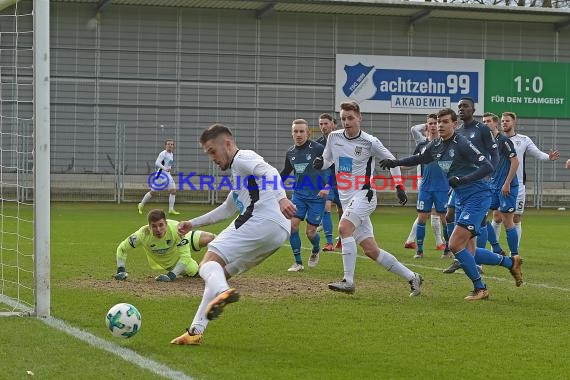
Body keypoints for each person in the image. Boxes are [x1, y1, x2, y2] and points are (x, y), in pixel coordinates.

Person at [170, 124, 296, 346]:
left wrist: (281, 198)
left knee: (207, 263)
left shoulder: (242, 158)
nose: (212, 158)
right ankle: (195, 331)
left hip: (261, 219)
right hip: (278, 231)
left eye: (212, 151)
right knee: (218, 272)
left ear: (227, 144)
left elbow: (271, 172)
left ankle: (224, 292)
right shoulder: (239, 176)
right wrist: (193, 223)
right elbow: (227, 210)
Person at [380, 108, 523, 301]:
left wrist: (462, 179)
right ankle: (510, 262)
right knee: (469, 251)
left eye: (445, 122)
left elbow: (487, 166)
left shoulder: (462, 143)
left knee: (455, 244)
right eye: (439, 121)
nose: (440, 125)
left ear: (455, 125)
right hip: (462, 198)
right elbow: (419, 158)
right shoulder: (436, 144)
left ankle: (481, 288)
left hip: (478, 196)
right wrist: (394, 162)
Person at [313, 101, 423, 296]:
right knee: (371, 250)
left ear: (359, 118)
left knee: (344, 228)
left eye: (350, 118)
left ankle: (348, 281)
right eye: (343, 118)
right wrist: (320, 163)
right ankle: (413, 277)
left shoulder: (370, 141)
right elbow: (328, 159)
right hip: (347, 198)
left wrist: (398, 186)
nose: (346, 122)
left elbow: (392, 162)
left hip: (365, 195)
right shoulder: (333, 137)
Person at [443, 97, 498, 274]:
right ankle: (461, 256)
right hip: (460, 184)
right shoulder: (457, 131)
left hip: (478, 182)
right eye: (459, 106)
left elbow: (494, 153)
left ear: (473, 110)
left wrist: (490, 173)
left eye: (465, 106)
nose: (461, 109)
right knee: (450, 215)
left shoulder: (482, 129)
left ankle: (475, 261)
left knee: (478, 223)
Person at [491, 111, 560, 246]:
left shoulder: (523, 140)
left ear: (514, 122)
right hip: (499, 184)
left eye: (507, 121)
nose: (504, 123)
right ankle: (495, 250)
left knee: (516, 218)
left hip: (518, 185)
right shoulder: (496, 140)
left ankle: (514, 253)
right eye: (503, 121)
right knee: (497, 217)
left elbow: (537, 153)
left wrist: (548, 157)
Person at [113, 209, 215, 282]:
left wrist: (171, 276)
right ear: (149, 227)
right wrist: (120, 271)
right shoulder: (142, 234)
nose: (158, 229)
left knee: (211, 238)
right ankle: (214, 270)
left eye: (161, 225)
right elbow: (122, 248)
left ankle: (226, 261)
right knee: (197, 272)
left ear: (166, 223)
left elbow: (186, 255)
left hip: (183, 238)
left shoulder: (177, 229)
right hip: (172, 260)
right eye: (154, 226)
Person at [280, 119, 328, 271]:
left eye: (302, 131)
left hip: (317, 198)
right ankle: (298, 262)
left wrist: (328, 187)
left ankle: (315, 249)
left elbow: (332, 167)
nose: (298, 134)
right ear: (292, 133)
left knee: (310, 233)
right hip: (298, 196)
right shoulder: (290, 152)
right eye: (296, 131)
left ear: (308, 133)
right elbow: (286, 172)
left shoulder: (318, 148)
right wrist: (271, 186)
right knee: (292, 227)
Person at [403, 114, 447, 255]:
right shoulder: (422, 144)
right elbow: (413, 161)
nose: (434, 126)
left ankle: (445, 247)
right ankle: (421, 250)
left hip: (442, 185)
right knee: (423, 216)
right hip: (425, 183)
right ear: (427, 126)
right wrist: (397, 165)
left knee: (442, 217)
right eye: (431, 123)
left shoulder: (446, 143)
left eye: (436, 123)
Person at [481, 113, 519, 257]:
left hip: (506, 187)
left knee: (507, 220)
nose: (485, 124)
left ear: (495, 124)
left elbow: (515, 162)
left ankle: (515, 255)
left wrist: (507, 183)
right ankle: (496, 248)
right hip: (491, 186)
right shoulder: (485, 142)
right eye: (483, 121)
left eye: (488, 121)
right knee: (482, 218)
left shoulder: (503, 141)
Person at [315, 113, 343, 252]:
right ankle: (329, 242)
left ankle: (343, 238)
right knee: (326, 207)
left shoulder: (342, 140)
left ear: (334, 124)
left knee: (342, 210)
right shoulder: (318, 144)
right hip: (327, 181)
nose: (323, 126)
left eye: (326, 123)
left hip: (343, 180)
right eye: (321, 124)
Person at [138, 139, 180, 215]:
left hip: (167, 175)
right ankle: (141, 204)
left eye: (171, 144)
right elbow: (157, 163)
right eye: (168, 144)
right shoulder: (163, 153)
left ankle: (171, 209)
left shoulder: (171, 154)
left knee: (173, 191)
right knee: (153, 192)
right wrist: (165, 168)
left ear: (173, 146)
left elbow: (168, 164)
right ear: (165, 145)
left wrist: (169, 170)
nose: (170, 145)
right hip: (160, 175)